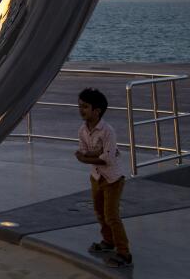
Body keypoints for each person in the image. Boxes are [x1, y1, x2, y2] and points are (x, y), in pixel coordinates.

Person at [76, 87, 132, 268]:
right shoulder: (82, 131)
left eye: (85, 107)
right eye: (80, 106)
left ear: (97, 111)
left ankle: (124, 253)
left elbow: (106, 159)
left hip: (113, 179)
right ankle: (108, 242)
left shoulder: (108, 131)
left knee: (112, 216)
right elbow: (84, 154)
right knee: (99, 212)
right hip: (96, 177)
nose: (81, 110)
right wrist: (95, 154)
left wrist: (88, 157)